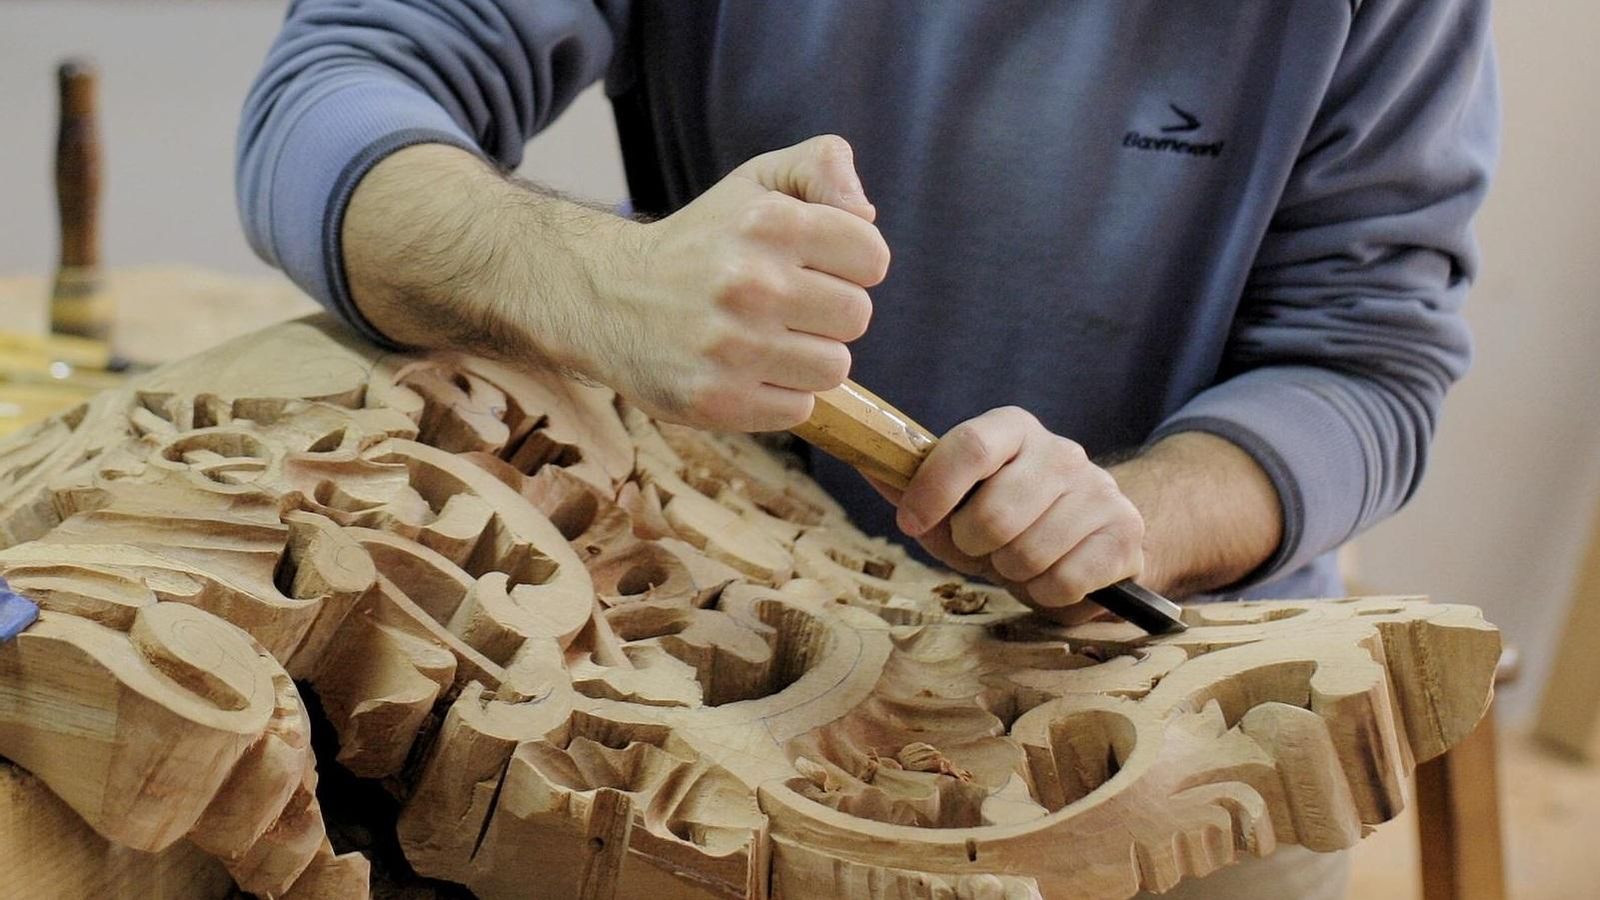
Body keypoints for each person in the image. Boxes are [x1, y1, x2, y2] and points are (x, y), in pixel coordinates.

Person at [237, 2, 1497, 896]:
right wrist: (597, 282)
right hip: (722, 641)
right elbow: (331, 96)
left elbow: (1367, 368)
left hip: (1153, 683)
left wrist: (1130, 517)